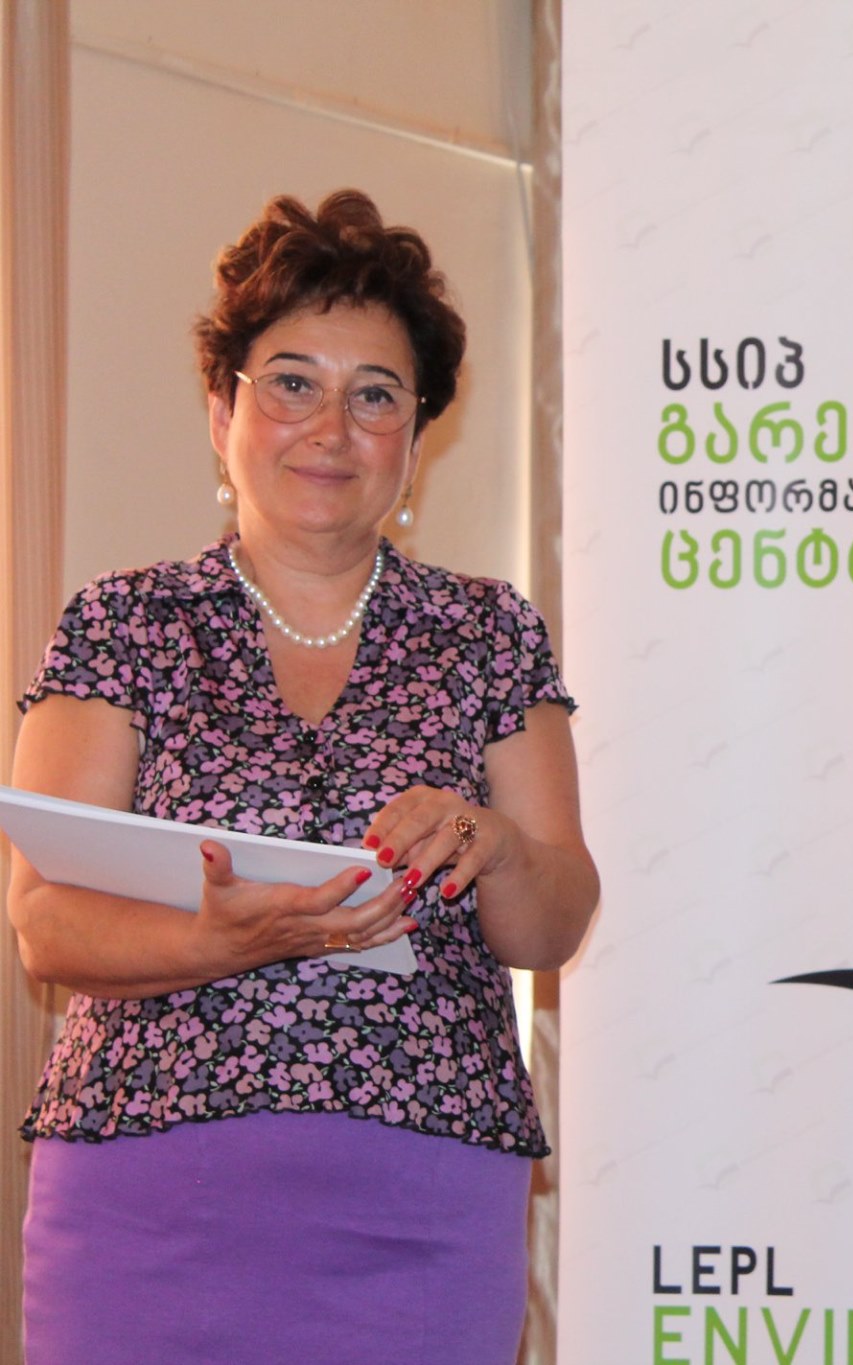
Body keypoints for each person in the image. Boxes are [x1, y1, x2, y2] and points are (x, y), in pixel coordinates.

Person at [8, 190, 599, 1362]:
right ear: (221, 410)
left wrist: (494, 846)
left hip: (422, 1203)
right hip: (147, 1196)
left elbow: (554, 921)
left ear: (415, 440)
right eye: (291, 383)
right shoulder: (126, 622)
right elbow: (45, 921)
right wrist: (215, 941)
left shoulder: (488, 633)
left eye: (375, 396)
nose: (331, 427)